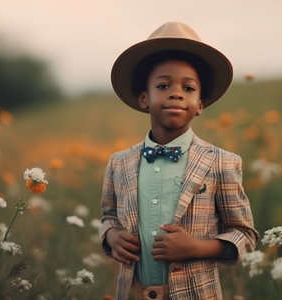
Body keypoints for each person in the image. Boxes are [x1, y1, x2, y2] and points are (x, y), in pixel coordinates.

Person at [100, 22, 259, 300]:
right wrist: (111, 236)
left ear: (200, 105)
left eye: (188, 88)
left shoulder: (221, 162)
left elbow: (244, 234)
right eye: (163, 85)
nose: (176, 93)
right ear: (143, 99)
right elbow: (108, 217)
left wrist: (196, 248)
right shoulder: (119, 163)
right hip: (132, 293)